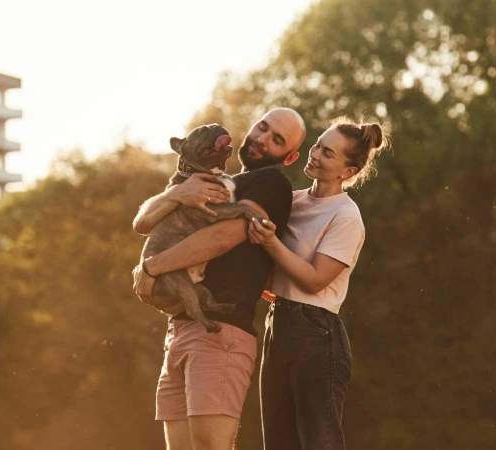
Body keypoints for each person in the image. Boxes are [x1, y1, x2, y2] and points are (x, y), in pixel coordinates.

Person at [131, 107, 306, 450]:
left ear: (289, 157)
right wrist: (176, 194)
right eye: (262, 127)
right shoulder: (217, 180)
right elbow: (142, 223)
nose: (262, 139)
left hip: (219, 333)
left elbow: (222, 237)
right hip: (181, 331)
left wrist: (152, 267)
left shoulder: (270, 184)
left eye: (277, 140)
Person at [245, 117, 388, 450]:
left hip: (317, 333)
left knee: (319, 443)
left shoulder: (346, 216)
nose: (315, 154)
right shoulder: (292, 201)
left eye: (328, 153)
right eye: (318, 145)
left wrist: (270, 243)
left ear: (348, 171)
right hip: (277, 323)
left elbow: (314, 280)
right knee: (277, 443)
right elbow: (277, 267)